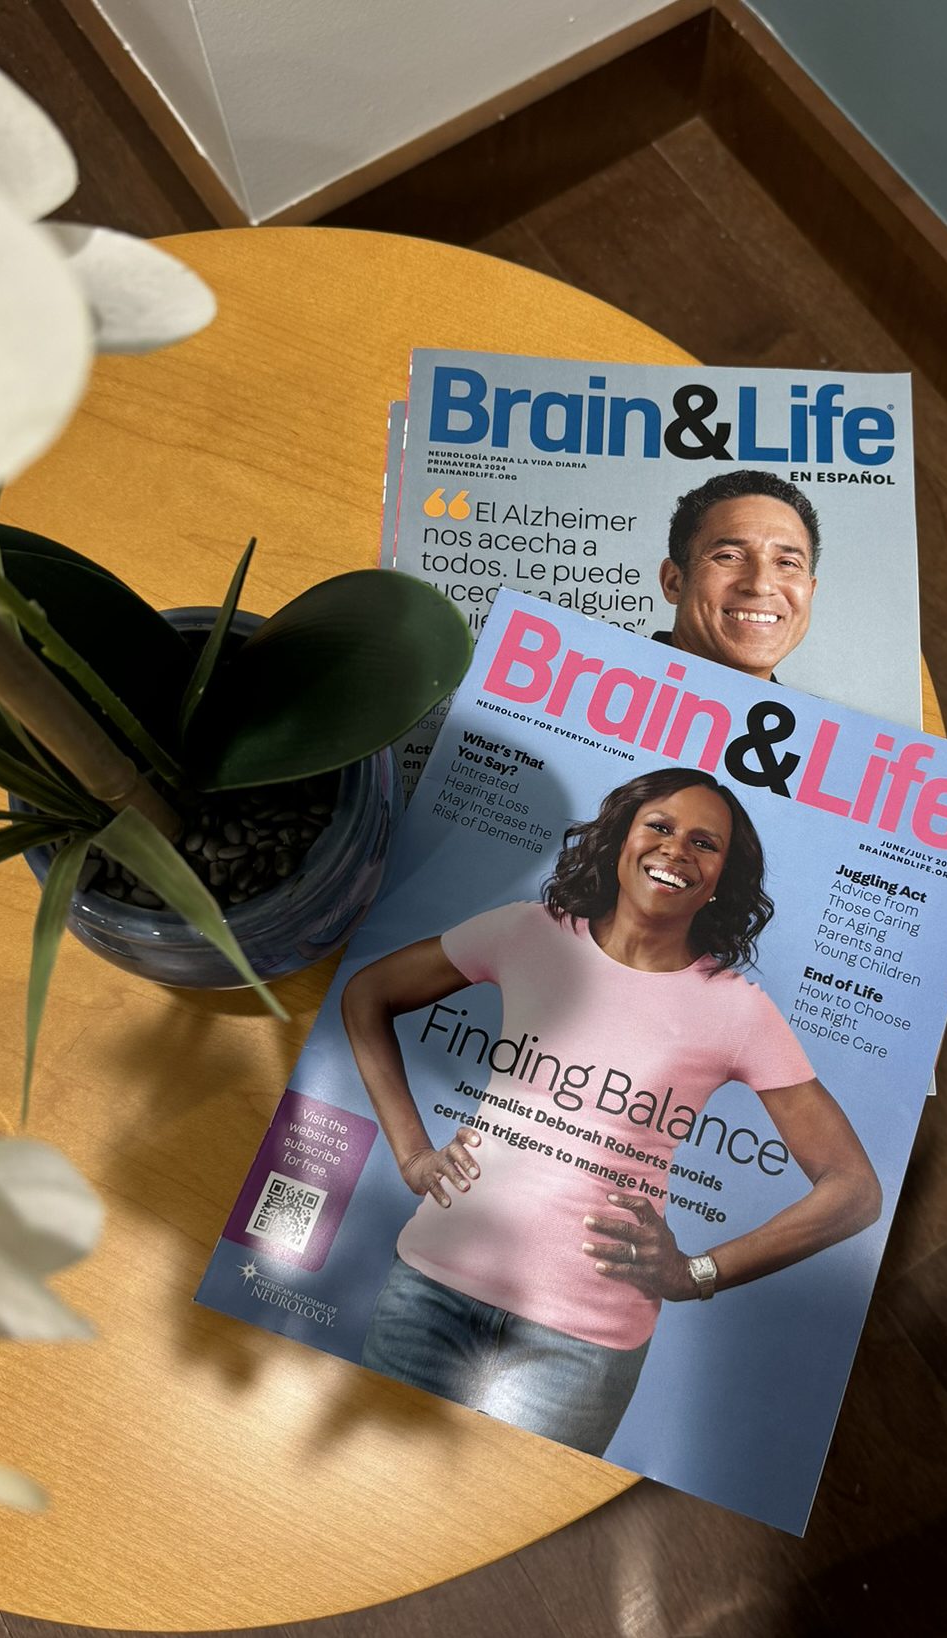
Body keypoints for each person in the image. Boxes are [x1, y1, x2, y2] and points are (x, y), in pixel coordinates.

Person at [341, 767, 881, 1457]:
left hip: (582, 1342)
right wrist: (413, 1154)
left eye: (705, 843)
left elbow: (853, 1190)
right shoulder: (525, 934)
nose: (676, 850)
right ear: (622, 837)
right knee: (370, 1482)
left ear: (723, 878)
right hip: (429, 1290)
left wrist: (697, 1274)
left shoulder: (736, 1009)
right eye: (659, 826)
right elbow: (367, 995)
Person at [655, 470, 820, 681]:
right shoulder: (599, 690)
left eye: (787, 563)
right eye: (729, 557)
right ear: (673, 583)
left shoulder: (812, 715)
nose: (761, 585)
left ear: (810, 591)